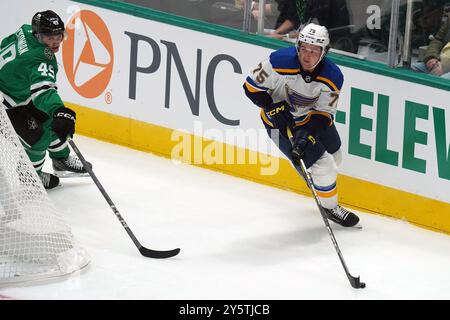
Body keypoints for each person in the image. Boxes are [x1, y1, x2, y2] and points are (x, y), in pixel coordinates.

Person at [243, 23, 359, 227]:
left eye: (314, 51)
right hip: (278, 125)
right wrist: (271, 106)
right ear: (298, 46)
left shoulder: (333, 76)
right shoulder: (277, 61)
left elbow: (324, 113)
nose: (307, 55)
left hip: (310, 119)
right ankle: (330, 208)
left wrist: (307, 134)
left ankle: (315, 178)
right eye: (304, 48)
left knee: (336, 157)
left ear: (324, 52)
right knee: (324, 165)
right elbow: (250, 87)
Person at [0, 10, 90, 189]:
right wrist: (59, 110)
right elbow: (44, 92)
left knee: (51, 122)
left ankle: (61, 160)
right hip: (6, 102)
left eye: (59, 35)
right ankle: (31, 178)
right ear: (38, 34)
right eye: (49, 36)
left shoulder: (25, 31)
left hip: (14, 92)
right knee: (38, 137)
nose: (56, 40)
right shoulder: (42, 57)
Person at [411, 7, 450, 79]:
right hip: (441, 61)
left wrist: (445, 67)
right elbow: (438, 40)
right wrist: (432, 58)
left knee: (441, 80)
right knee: (409, 69)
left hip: (446, 65)